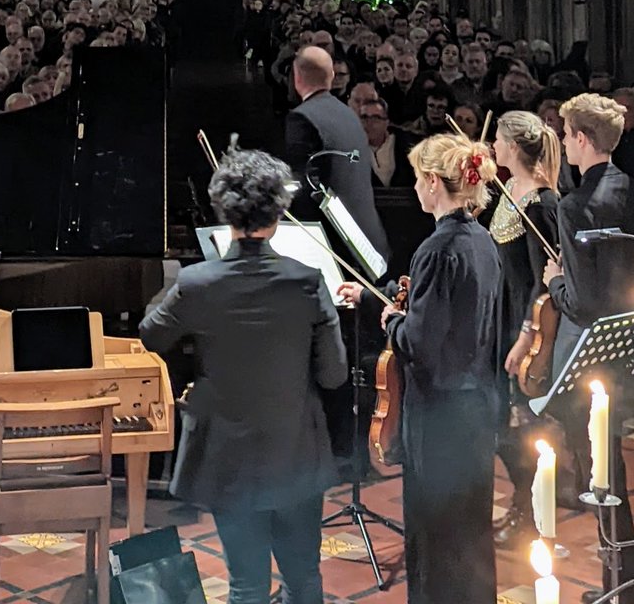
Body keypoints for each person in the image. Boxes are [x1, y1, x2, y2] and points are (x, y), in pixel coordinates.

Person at [139, 148, 348, 604]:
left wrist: (176, 292)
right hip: (296, 451)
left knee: (246, 586)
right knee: (304, 580)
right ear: (278, 213)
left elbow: (150, 336)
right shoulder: (308, 281)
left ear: (223, 211)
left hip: (226, 456)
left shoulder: (197, 283)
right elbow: (333, 375)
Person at [339, 132, 501, 604]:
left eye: (416, 178)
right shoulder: (483, 241)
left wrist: (391, 318)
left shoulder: (437, 248)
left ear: (434, 181)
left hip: (439, 416)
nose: (413, 188)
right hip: (476, 408)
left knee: (433, 539)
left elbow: (419, 342)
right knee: (470, 534)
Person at [542, 93, 634, 604]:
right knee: (615, 467)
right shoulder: (630, 189)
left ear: (580, 139)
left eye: (564, 134)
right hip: (629, 344)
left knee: (602, 474)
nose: (561, 142)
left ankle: (614, 582)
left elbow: (580, 302)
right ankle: (624, 577)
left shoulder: (574, 206)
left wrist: (555, 280)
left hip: (593, 355)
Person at [489, 112, 560, 548]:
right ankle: (525, 499)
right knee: (501, 421)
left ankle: (528, 506)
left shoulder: (541, 203)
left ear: (513, 146)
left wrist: (524, 337)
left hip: (522, 321)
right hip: (500, 316)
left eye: (497, 140)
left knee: (519, 424)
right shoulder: (510, 189)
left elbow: (541, 280)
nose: (493, 147)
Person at [286, 46, 389, 261]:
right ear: (331, 76)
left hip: (336, 249)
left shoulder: (303, 118)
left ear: (297, 78)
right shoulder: (349, 115)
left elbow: (307, 188)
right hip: (369, 240)